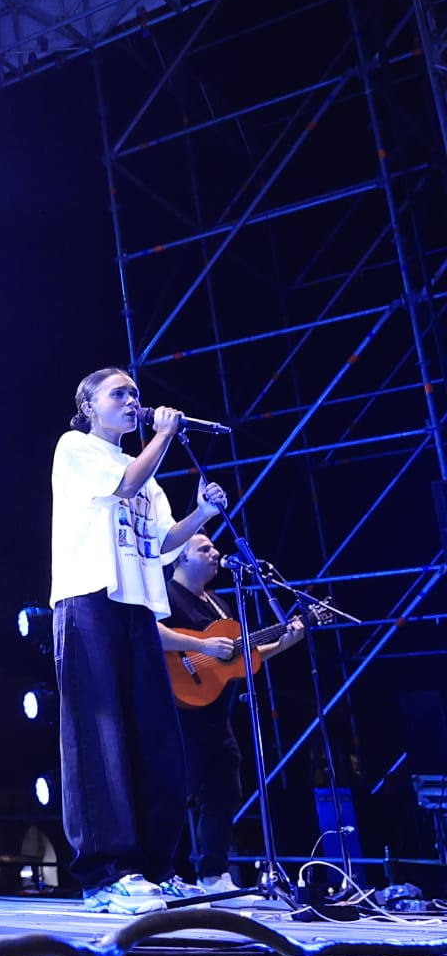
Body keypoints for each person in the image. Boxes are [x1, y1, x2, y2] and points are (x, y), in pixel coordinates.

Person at [49, 366, 233, 914]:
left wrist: (203, 511)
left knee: (156, 740)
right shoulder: (77, 449)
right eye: (119, 394)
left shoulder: (147, 475)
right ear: (89, 406)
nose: (132, 401)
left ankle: (156, 867)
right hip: (89, 600)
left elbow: (164, 543)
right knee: (100, 739)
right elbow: (123, 486)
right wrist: (165, 435)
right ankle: (107, 874)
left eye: (135, 393)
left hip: (138, 606)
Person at [165, 531, 303, 895]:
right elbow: (150, 634)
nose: (215, 553)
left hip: (216, 715)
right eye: (204, 548)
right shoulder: (166, 596)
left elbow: (238, 659)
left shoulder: (220, 604)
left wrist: (283, 643)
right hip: (179, 713)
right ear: (181, 557)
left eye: (213, 547)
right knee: (176, 793)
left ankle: (213, 874)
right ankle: (161, 871)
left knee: (225, 790)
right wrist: (202, 645)